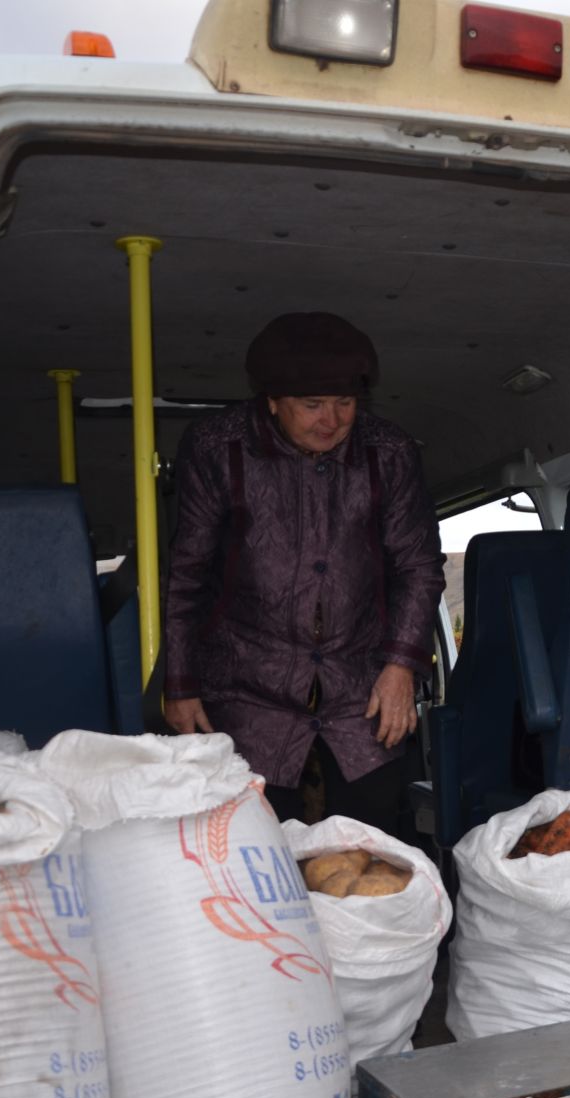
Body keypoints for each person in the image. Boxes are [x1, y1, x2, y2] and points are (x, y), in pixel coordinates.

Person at [162, 312, 445, 831]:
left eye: (345, 404)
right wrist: (179, 685)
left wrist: (402, 665)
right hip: (246, 694)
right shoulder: (217, 448)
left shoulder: (391, 452)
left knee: (372, 849)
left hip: (362, 690)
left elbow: (419, 567)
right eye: (312, 405)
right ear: (271, 400)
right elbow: (187, 574)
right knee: (251, 851)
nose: (331, 421)